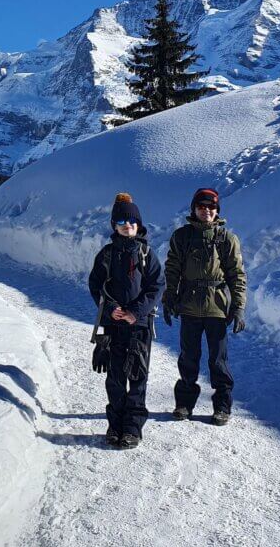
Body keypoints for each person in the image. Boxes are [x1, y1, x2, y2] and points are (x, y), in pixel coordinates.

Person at [161, 187, 247, 426]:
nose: (206, 211)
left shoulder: (226, 238)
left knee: (218, 360)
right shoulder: (182, 236)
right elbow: (173, 270)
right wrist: (169, 298)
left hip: (217, 308)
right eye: (201, 207)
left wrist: (238, 307)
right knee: (189, 357)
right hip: (189, 305)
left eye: (211, 207)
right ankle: (184, 403)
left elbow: (237, 276)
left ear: (217, 211)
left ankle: (222, 406)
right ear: (194, 209)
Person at [88, 193, 164, 449]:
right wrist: (110, 308)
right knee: (115, 377)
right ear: (114, 224)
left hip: (139, 326)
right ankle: (115, 425)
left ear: (138, 224)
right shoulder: (107, 254)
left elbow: (156, 287)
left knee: (138, 375)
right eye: (121, 220)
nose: (127, 225)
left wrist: (136, 312)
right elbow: (96, 285)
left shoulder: (146, 253)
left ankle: (132, 428)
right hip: (113, 326)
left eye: (131, 221)